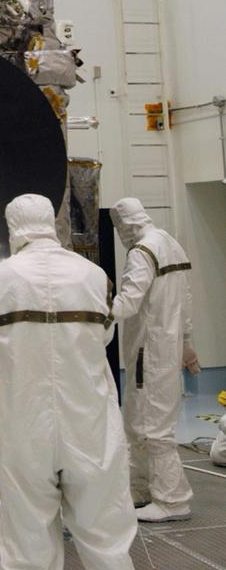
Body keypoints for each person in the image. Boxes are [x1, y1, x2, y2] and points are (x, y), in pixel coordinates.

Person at [0, 194, 149, 570]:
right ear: (51, 223)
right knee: (110, 550)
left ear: (11, 227)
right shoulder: (94, 276)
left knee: (28, 559)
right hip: (91, 429)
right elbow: (103, 336)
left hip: (27, 431)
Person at [109, 198, 198, 523]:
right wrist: (187, 342)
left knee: (152, 425)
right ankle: (141, 488)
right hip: (168, 345)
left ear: (125, 225)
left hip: (149, 350)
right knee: (138, 422)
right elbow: (185, 300)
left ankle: (173, 500)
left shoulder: (141, 252)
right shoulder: (170, 243)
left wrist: (93, 312)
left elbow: (129, 303)